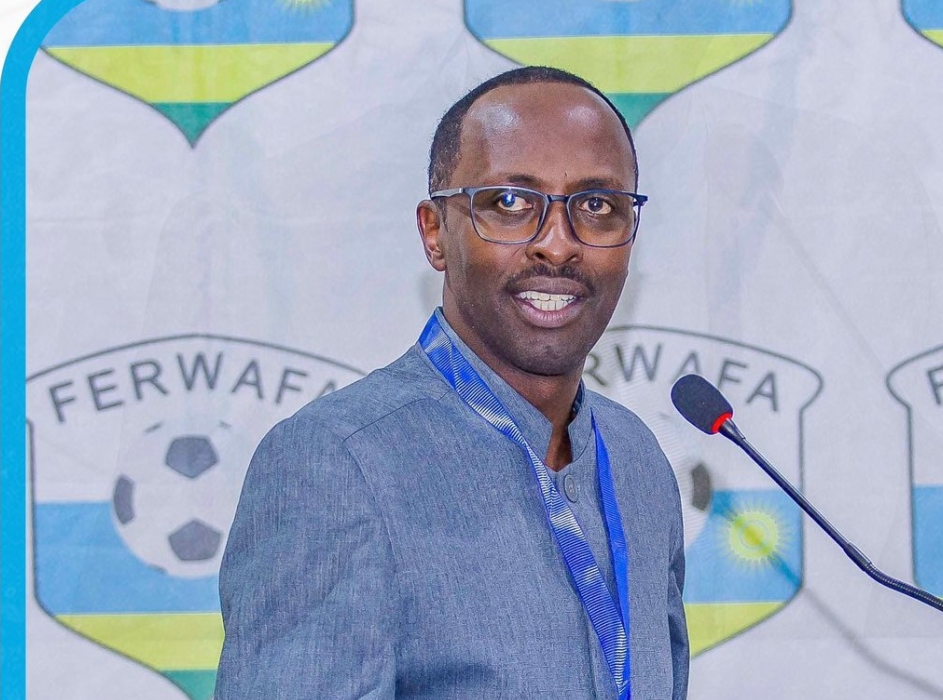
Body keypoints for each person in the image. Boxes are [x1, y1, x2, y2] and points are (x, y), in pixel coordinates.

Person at [215, 66, 688, 699]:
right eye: (512, 204)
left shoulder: (636, 460)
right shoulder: (337, 465)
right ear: (436, 232)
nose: (557, 245)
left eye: (596, 207)